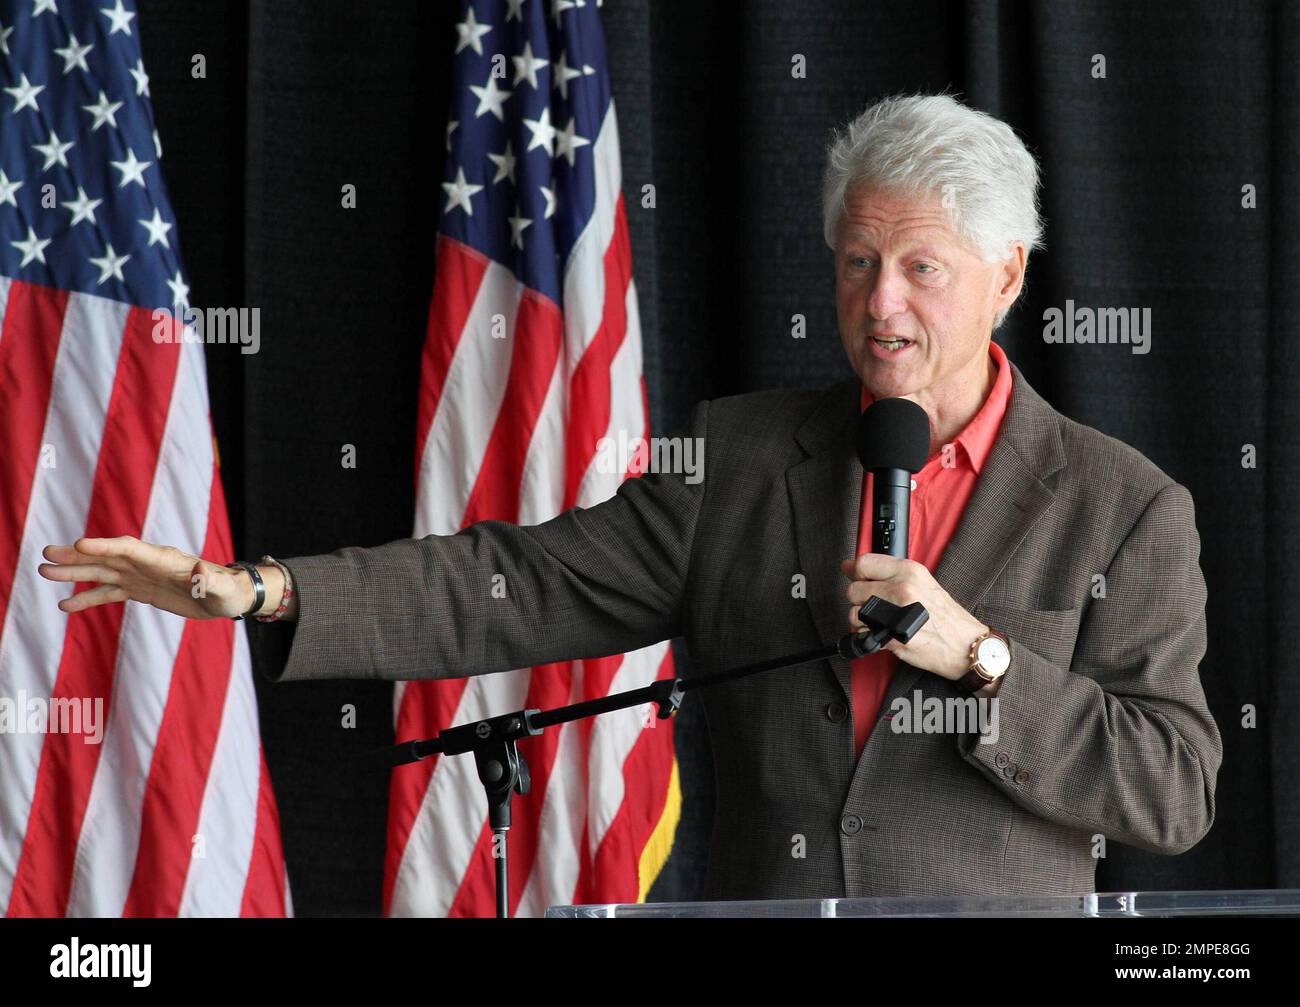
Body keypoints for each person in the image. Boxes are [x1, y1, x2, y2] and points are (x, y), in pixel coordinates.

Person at [39, 93, 1221, 901]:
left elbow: (1171, 784)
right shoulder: (746, 457)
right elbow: (516, 582)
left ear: (1006, 277)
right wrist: (258, 587)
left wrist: (987, 663)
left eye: (922, 267)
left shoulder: (1122, 506)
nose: (881, 305)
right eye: (857, 261)